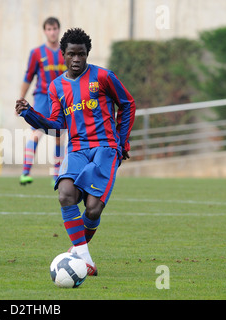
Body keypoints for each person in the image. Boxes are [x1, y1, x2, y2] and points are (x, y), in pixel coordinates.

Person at [16, 28, 136, 275]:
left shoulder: (103, 77)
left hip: (105, 148)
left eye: (81, 54)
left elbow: (127, 104)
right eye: (72, 54)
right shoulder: (56, 86)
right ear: (63, 55)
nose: (77, 59)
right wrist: (28, 113)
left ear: (87, 53)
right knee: (65, 194)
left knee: (93, 209)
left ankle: (78, 251)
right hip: (78, 150)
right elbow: (57, 124)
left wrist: (122, 142)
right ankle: (84, 258)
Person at [19, 17, 67, 186]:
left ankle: (57, 174)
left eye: (54, 29)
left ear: (59, 30)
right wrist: (21, 99)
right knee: (37, 132)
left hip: (60, 99)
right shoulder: (37, 53)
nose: (52, 32)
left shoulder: (66, 52)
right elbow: (28, 77)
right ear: (45, 31)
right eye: (49, 29)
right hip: (41, 97)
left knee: (59, 135)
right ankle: (25, 172)